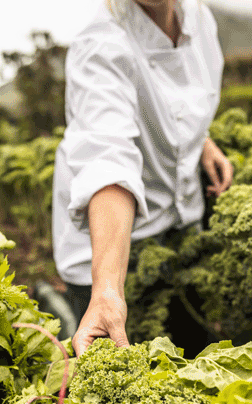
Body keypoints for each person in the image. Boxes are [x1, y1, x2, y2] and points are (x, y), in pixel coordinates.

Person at [52, 0, 233, 356]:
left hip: (178, 222)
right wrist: (106, 290)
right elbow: (108, 159)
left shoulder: (197, 18)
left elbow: (179, 101)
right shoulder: (101, 45)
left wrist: (202, 142)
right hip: (109, 244)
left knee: (193, 347)